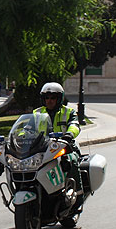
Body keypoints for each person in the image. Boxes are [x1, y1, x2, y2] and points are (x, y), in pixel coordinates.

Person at [33, 82, 83, 219]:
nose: (49, 101)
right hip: (43, 148)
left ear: (59, 99)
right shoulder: (37, 113)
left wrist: (69, 134)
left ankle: (78, 197)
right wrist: (20, 137)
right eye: (47, 98)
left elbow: (75, 125)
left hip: (65, 146)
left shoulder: (68, 112)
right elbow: (27, 128)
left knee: (71, 161)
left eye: (53, 98)